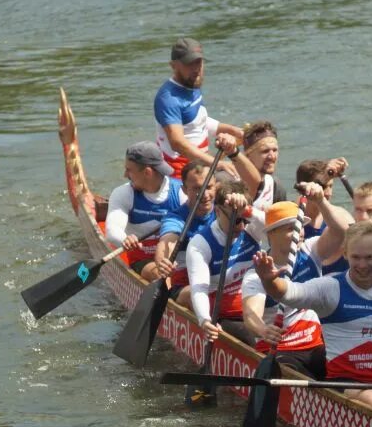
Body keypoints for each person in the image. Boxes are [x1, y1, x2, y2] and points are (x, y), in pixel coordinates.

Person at [252, 220, 372, 421]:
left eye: (370, 257)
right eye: (356, 257)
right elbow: (289, 293)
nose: (363, 265)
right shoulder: (330, 289)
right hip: (345, 385)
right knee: (371, 397)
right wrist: (270, 281)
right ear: (345, 253)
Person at [240, 188, 351, 378]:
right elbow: (251, 315)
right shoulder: (256, 273)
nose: (299, 233)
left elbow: (342, 230)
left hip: (316, 344)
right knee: (293, 373)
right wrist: (263, 330)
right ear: (271, 234)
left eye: (300, 227)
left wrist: (321, 201)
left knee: (348, 366)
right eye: (291, 228)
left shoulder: (310, 250)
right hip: (279, 350)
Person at [186, 181, 264, 344]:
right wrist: (205, 321)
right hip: (225, 316)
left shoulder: (251, 229)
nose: (242, 227)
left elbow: (284, 227)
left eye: (245, 219)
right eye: (236, 220)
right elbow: (199, 288)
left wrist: (248, 211)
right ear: (217, 211)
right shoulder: (201, 243)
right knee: (255, 342)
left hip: (258, 308)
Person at [153, 37, 243, 178]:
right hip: (181, 175)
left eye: (199, 62)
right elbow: (177, 143)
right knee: (236, 181)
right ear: (173, 65)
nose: (196, 69)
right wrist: (216, 164)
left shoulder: (191, 83)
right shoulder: (168, 98)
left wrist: (234, 131)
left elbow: (197, 121)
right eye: (190, 64)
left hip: (201, 166)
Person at [105, 140, 185, 281]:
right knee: (160, 275)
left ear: (147, 172)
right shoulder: (124, 193)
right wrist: (125, 239)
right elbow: (112, 231)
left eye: (129, 170)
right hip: (144, 261)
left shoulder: (181, 193)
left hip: (177, 260)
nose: (125, 175)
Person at [152, 159, 219, 297]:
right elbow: (167, 242)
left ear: (216, 186)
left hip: (218, 279)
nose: (205, 195)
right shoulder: (176, 218)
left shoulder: (225, 211)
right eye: (197, 188)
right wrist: (164, 262)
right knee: (202, 293)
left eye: (208, 187)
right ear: (184, 189)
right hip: (186, 285)